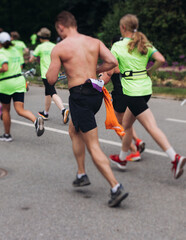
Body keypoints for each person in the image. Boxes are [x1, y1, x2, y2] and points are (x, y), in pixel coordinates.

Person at [46, 11, 129, 207]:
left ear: (61, 27)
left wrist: (64, 69)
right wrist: (94, 71)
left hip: (80, 96)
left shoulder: (60, 48)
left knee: (92, 145)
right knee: (74, 130)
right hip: (95, 93)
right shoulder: (94, 42)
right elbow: (112, 63)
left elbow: (50, 80)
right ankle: (81, 174)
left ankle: (115, 187)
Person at [107, 14, 185, 179]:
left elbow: (111, 68)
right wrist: (149, 71)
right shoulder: (144, 43)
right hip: (145, 89)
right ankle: (122, 159)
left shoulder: (118, 46)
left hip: (132, 92)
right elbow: (161, 59)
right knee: (126, 125)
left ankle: (175, 158)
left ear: (123, 28)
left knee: (151, 127)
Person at [100, 35, 145, 165]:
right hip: (134, 92)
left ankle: (133, 150)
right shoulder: (131, 57)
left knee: (117, 124)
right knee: (127, 122)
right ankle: (137, 141)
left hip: (121, 94)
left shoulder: (113, 59)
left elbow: (105, 76)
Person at [0, 32, 44, 141]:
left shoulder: (1, 52)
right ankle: (35, 121)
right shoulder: (16, 51)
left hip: (6, 83)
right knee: (20, 109)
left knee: (5, 110)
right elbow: (20, 65)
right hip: (19, 81)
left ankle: (7, 135)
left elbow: (5, 67)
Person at [29, 27, 69, 124]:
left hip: (46, 74)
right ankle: (45, 113)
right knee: (48, 92)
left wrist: (32, 57)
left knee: (52, 92)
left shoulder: (40, 47)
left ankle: (63, 110)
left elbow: (31, 60)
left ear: (40, 37)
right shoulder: (54, 46)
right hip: (55, 72)